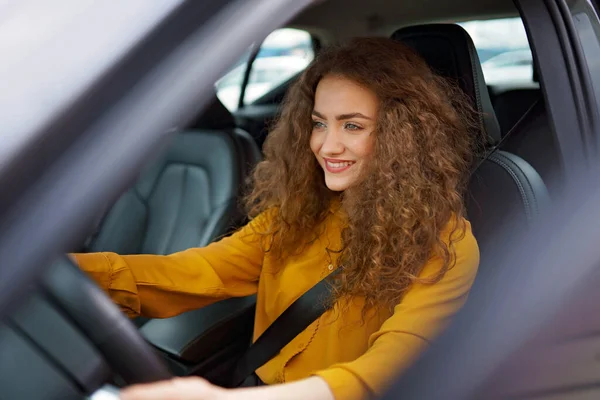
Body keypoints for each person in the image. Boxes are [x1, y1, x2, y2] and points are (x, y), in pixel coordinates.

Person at [73, 37, 481, 400]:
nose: (327, 145)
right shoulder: (298, 213)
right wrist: (73, 275)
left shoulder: (445, 246)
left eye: (352, 126)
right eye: (319, 124)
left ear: (401, 136)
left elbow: (383, 373)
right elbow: (198, 272)